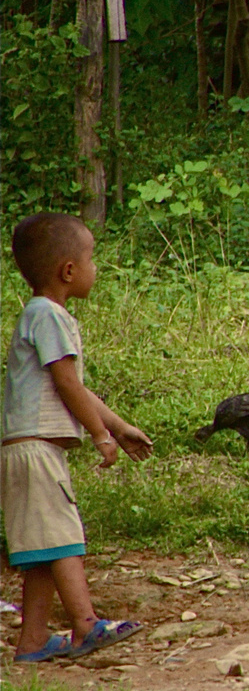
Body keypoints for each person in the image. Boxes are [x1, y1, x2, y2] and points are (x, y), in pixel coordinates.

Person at [2, 213, 152, 663]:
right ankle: (85, 625)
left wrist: (119, 425)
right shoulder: (49, 315)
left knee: (44, 549)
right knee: (66, 538)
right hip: (36, 448)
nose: (95, 268)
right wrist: (101, 435)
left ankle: (32, 642)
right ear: (69, 270)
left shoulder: (40, 314)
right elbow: (68, 384)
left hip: (25, 446)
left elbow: (73, 386)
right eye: (92, 259)